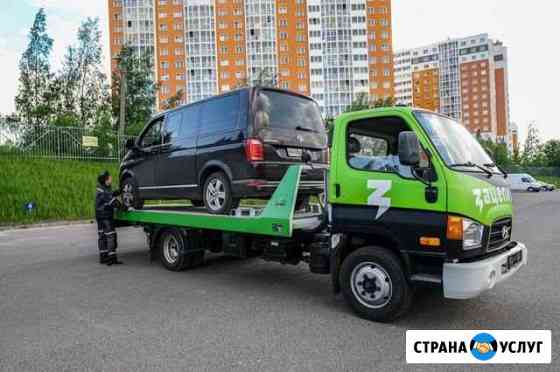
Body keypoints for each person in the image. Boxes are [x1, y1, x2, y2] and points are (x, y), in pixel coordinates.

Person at [95, 170, 123, 265]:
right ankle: (112, 258)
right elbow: (113, 201)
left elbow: (110, 195)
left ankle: (103, 257)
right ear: (106, 180)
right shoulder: (104, 191)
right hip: (106, 216)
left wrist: (118, 192)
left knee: (102, 235)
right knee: (111, 235)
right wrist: (124, 207)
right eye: (109, 177)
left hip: (100, 215)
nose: (111, 178)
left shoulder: (102, 188)